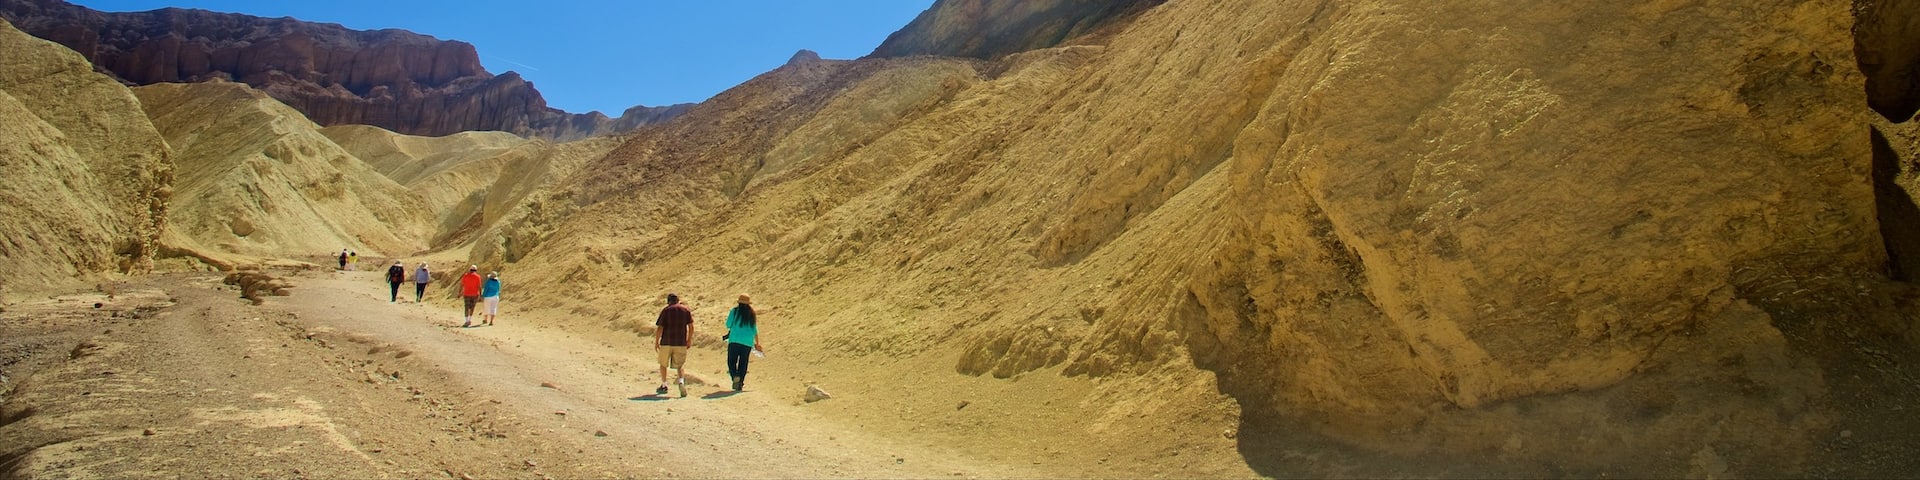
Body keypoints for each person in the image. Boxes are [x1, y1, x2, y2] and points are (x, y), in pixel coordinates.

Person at [653, 293, 695, 397]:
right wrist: (689, 339)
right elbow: (691, 326)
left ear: (668, 301)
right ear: (678, 300)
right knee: (679, 365)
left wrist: (657, 341)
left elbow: (660, 328)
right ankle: (681, 381)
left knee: (663, 364)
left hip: (666, 342)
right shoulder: (685, 310)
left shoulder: (666, 310)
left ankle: (664, 384)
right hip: (680, 342)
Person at [725, 293, 767, 391]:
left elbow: (728, 324)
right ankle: (740, 383)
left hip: (734, 340)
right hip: (747, 342)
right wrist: (757, 343)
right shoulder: (751, 314)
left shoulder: (734, 311)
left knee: (731, 361)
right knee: (743, 363)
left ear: (739, 302)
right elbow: (755, 330)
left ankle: (735, 376)